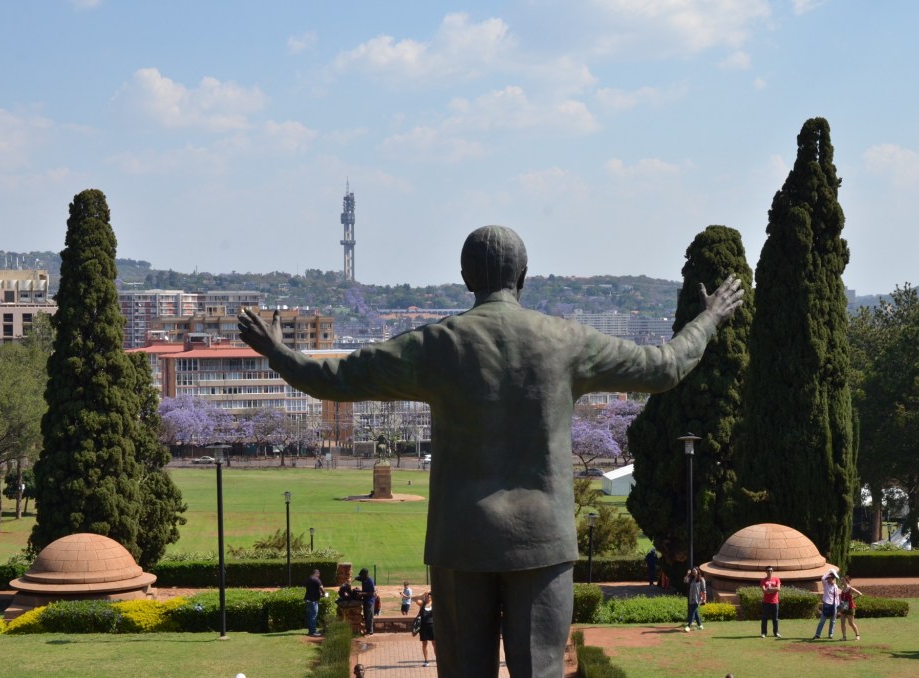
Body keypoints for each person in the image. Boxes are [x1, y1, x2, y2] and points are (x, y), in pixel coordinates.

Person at [238, 225, 744, 678]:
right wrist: (709, 318)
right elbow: (664, 367)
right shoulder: (567, 340)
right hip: (542, 541)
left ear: (465, 278)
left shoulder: (438, 344)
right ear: (523, 276)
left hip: (461, 540)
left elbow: (335, 378)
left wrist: (278, 351)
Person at [813, 570, 840, 639]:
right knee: (822, 620)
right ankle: (817, 634)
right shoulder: (825, 584)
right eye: (828, 578)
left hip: (834, 605)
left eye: (829, 578)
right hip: (826, 604)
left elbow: (837, 597)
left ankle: (831, 634)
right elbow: (822, 578)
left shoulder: (835, 586)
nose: (828, 579)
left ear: (832, 579)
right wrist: (830, 571)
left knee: (833, 621)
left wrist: (838, 605)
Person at [759, 565, 781, 638]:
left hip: (775, 602)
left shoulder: (776, 579)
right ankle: (763, 633)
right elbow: (764, 590)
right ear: (766, 572)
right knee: (764, 618)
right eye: (768, 570)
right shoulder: (763, 580)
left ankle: (776, 632)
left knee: (775, 619)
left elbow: (778, 589)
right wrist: (773, 589)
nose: (770, 572)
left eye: (771, 570)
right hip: (766, 602)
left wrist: (770, 589)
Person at [838, 574, 862, 641]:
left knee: (850, 623)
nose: (842, 581)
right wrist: (840, 606)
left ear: (846, 581)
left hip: (850, 607)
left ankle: (857, 635)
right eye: (841, 580)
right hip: (843, 606)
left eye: (843, 580)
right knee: (842, 623)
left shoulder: (850, 588)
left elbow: (860, 594)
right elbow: (841, 598)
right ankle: (844, 637)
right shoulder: (842, 589)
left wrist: (853, 598)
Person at [416, 591, 436, 667]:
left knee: (434, 644)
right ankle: (426, 661)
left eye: (430, 596)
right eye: (427, 596)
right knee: (424, 644)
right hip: (423, 627)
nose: (428, 597)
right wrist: (422, 594)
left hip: (432, 626)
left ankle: (438, 660)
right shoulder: (422, 604)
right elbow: (414, 599)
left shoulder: (434, 604)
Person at [304, 568, 326, 637]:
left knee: (309, 616)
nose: (319, 576)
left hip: (307, 599)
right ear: (317, 573)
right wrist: (324, 594)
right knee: (313, 616)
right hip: (313, 601)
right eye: (318, 574)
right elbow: (322, 589)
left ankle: (310, 631)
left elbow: (312, 590)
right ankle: (313, 632)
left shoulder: (308, 579)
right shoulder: (317, 580)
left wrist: (319, 594)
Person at [683, 567, 706, 632]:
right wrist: (687, 574)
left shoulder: (701, 580)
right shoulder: (691, 579)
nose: (693, 572)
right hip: (691, 598)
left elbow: (704, 590)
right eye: (692, 571)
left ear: (697, 571)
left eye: (694, 570)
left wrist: (704, 599)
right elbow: (685, 581)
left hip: (697, 599)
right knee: (695, 612)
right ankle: (700, 625)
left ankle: (688, 626)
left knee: (692, 612)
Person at [355, 567, 376, 636]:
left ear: (365, 574)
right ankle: (367, 629)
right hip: (365, 600)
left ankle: (370, 631)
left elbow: (372, 593)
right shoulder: (364, 579)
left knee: (369, 617)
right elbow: (359, 578)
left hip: (370, 601)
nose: (361, 576)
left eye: (362, 575)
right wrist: (354, 579)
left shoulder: (370, 581)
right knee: (366, 616)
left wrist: (362, 593)